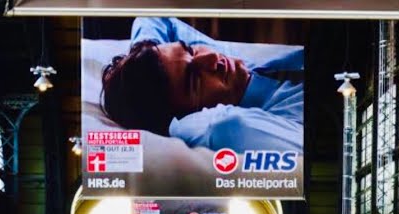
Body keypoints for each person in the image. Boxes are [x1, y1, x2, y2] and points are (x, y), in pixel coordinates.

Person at [99, 17, 303, 153]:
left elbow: (153, 18)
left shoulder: (212, 61)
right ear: (189, 115)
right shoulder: (240, 126)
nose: (212, 57)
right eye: (194, 79)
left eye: (190, 49)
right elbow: (226, 127)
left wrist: (138, 57)